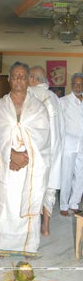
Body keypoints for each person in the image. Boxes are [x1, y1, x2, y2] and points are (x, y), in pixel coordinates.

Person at [0, 61, 50, 257]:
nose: (19, 79)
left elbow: (44, 137)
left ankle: (27, 246)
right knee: (6, 202)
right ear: (9, 79)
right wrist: (11, 155)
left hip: (29, 166)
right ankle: (0, 243)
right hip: (4, 166)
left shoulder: (38, 108)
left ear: (28, 80)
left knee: (25, 201)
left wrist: (25, 157)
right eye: (15, 75)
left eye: (23, 76)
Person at [29, 65, 62, 235]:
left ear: (34, 79)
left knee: (32, 188)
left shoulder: (31, 94)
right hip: (55, 148)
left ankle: (32, 225)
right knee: (50, 187)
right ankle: (46, 226)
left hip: (36, 151)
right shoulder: (54, 97)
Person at [59, 73, 83, 216]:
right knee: (66, 175)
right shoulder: (63, 101)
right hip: (68, 144)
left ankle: (75, 203)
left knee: (80, 175)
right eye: (76, 84)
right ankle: (63, 204)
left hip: (82, 144)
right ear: (71, 84)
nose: (78, 86)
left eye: (81, 84)